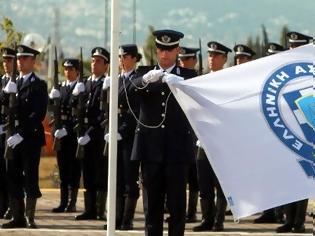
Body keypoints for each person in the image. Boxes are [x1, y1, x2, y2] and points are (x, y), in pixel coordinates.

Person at [127, 29, 197, 236]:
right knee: (152, 208)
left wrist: (185, 87)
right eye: (161, 50)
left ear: (177, 50)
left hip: (177, 150)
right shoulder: (144, 73)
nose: (165, 54)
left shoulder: (189, 76)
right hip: (150, 149)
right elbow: (129, 94)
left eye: (169, 50)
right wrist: (145, 80)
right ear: (156, 50)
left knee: (177, 207)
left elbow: (200, 103)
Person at [1, 44, 48, 229]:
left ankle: (29, 217)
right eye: (18, 59)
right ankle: (17, 216)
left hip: (29, 139)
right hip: (11, 138)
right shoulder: (11, 83)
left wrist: (21, 133)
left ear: (32, 61)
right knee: (12, 177)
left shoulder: (39, 84)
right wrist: (5, 93)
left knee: (30, 177)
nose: (19, 62)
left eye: (24, 58)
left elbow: (38, 114)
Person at [276, 31, 312, 233]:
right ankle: (289, 220)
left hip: (307, 131)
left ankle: (298, 222)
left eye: (297, 47)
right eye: (291, 46)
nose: (292, 50)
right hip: (287, 131)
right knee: (288, 177)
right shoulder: (283, 72)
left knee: (303, 179)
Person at [193, 41, 231, 232]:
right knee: (204, 184)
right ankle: (207, 219)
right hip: (203, 142)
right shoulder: (201, 80)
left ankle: (218, 220)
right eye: (210, 55)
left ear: (224, 59)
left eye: (216, 55)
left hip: (221, 142)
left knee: (221, 184)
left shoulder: (230, 81)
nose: (211, 58)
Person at [74, 47, 109, 221]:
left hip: (98, 136)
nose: (94, 63)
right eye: (93, 60)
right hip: (84, 135)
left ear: (106, 65)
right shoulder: (85, 83)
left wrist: (91, 133)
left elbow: (104, 115)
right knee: (87, 174)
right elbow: (77, 110)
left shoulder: (106, 84)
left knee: (100, 174)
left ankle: (100, 210)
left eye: (99, 61)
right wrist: (75, 95)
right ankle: (89, 209)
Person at [49, 59, 81, 213]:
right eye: (66, 69)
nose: (67, 72)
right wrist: (51, 98)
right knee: (63, 170)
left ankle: (72, 202)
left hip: (73, 135)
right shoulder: (60, 88)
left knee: (74, 170)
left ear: (77, 71)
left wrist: (67, 129)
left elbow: (78, 113)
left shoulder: (80, 88)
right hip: (60, 134)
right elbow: (54, 112)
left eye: (71, 69)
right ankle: (63, 202)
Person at [177, 46, 200, 223]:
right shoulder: (176, 80)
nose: (183, 63)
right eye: (181, 60)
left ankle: (192, 212)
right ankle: (183, 211)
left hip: (197, 134)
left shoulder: (199, 80)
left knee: (195, 177)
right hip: (182, 133)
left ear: (194, 61)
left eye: (187, 60)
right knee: (181, 176)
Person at [0, 47, 16, 219]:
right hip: (0, 132)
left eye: (9, 60)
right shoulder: (1, 81)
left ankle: (11, 207)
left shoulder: (19, 82)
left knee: (10, 172)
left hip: (13, 134)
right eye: (4, 60)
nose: (6, 64)